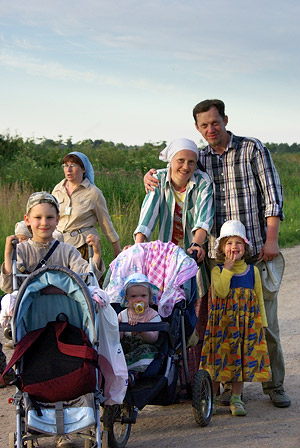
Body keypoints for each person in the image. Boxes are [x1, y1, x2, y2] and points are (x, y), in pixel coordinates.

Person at [144, 98, 290, 408]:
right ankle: (226, 387)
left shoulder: (251, 149)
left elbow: (272, 196)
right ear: (197, 128)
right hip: (214, 253)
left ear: (225, 119)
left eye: (215, 122)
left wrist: (272, 239)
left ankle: (274, 386)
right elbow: (175, 171)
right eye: (204, 125)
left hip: (253, 249)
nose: (211, 129)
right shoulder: (200, 158)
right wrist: (151, 176)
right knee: (221, 322)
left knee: (264, 322)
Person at [135, 138, 214, 385]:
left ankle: (191, 377)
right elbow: (147, 216)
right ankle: (164, 373)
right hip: (164, 256)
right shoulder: (158, 178)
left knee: (192, 311)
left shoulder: (202, 182)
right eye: (180, 160)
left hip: (190, 254)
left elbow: (204, 218)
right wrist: (139, 246)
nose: (185, 166)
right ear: (171, 161)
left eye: (191, 161)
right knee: (161, 309)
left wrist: (197, 244)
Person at [200, 220, 271, 416]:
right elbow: (221, 292)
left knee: (239, 358)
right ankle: (212, 398)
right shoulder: (217, 270)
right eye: (229, 243)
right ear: (222, 248)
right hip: (222, 325)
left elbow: (259, 299)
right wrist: (228, 269)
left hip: (245, 325)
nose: (234, 247)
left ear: (245, 246)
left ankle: (236, 398)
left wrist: (263, 324)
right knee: (218, 360)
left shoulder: (253, 271)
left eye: (238, 243)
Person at [0, 192, 104, 294]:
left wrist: (97, 253)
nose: (44, 223)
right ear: (27, 220)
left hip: (64, 309)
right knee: (7, 302)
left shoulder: (68, 251)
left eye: (49, 217)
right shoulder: (21, 251)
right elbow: (9, 287)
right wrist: (8, 255)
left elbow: (87, 279)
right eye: (38, 217)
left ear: (57, 219)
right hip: (30, 309)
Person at [52, 151, 121, 276]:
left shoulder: (93, 193)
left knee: (85, 285)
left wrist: (117, 251)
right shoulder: (57, 189)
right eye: (65, 166)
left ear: (83, 169)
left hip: (83, 247)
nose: (68, 170)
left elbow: (106, 223)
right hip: (59, 246)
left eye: (73, 165)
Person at [118, 273, 161, 380]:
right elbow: (118, 339)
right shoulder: (123, 315)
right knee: (118, 349)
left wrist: (142, 330)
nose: (138, 300)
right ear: (127, 298)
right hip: (128, 347)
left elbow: (153, 338)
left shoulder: (153, 316)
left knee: (148, 351)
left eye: (143, 296)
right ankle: (121, 368)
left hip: (144, 347)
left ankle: (132, 372)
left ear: (149, 297)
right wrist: (118, 327)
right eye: (133, 296)